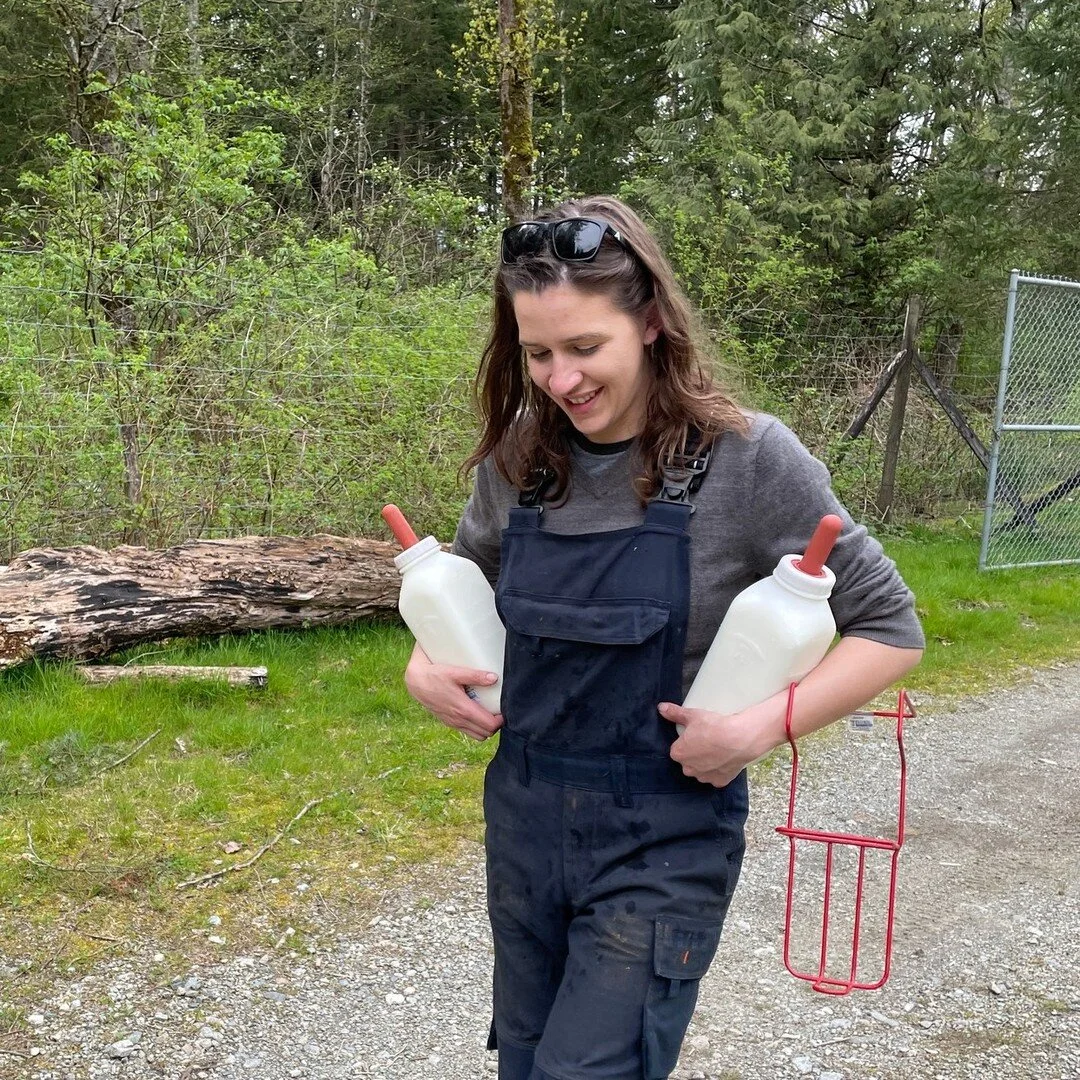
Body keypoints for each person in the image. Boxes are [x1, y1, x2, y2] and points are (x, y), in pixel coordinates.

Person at [402, 195, 924, 1080]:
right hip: (524, 821)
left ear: (648, 323)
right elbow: (462, 589)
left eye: (584, 348)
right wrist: (423, 664)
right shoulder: (519, 462)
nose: (559, 380)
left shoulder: (751, 460)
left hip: (666, 832)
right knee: (526, 1064)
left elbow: (891, 629)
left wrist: (761, 729)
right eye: (537, 354)